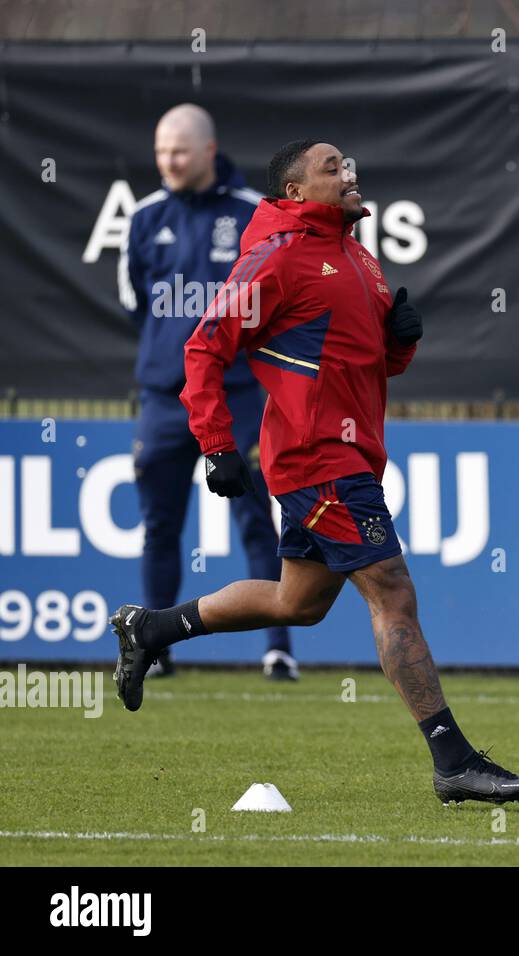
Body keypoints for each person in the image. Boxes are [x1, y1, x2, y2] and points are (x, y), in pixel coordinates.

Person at [111, 140, 519, 805]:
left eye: (349, 165)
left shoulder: (359, 256)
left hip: (349, 451)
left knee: (299, 603)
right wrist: (217, 443)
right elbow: (204, 345)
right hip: (318, 457)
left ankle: (151, 629)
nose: (350, 174)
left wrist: (399, 341)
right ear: (294, 193)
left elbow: (369, 367)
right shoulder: (276, 257)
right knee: (392, 590)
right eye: (333, 168)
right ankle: (453, 761)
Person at [119, 103, 296, 680]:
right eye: (161, 151)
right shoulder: (144, 217)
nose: (168, 161)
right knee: (159, 525)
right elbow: (136, 302)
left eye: (179, 150)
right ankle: (155, 650)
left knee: (256, 519)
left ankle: (277, 650)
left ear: (208, 151)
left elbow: (272, 297)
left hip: (240, 398)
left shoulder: (252, 216)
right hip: (165, 402)